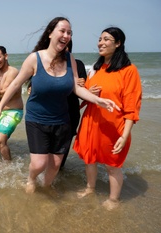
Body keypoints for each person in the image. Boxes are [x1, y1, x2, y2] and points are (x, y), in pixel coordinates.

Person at [0, 17, 119, 194]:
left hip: (62, 121)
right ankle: (31, 179)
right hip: (37, 120)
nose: (66, 35)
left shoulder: (70, 59)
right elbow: (15, 85)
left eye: (69, 33)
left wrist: (98, 100)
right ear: (50, 33)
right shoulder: (34, 59)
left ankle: (46, 187)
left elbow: (75, 86)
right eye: (62, 31)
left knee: (56, 164)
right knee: (39, 163)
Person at [73, 27, 142, 210]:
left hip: (114, 125)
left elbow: (131, 105)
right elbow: (85, 95)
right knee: (89, 159)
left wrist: (125, 134)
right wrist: (87, 90)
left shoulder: (129, 70)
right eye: (100, 39)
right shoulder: (95, 69)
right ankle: (90, 188)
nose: (101, 43)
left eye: (106, 39)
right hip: (91, 122)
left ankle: (113, 199)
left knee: (113, 165)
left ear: (118, 43)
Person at [0, 46, 24, 161]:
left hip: (13, 112)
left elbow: (4, 92)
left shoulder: (13, 72)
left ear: (6, 56)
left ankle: (9, 167)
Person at [60, 40, 87, 168]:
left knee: (63, 148)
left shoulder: (78, 64)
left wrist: (83, 85)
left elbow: (82, 90)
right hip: (52, 111)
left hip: (71, 112)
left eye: (66, 47)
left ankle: (59, 172)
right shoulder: (48, 63)